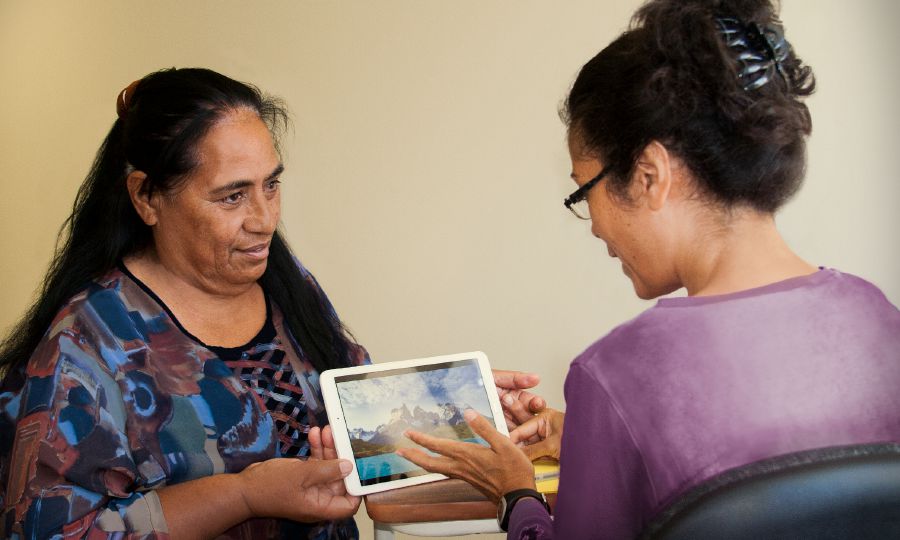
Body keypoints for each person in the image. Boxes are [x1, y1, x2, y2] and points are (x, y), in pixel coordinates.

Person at [396, 0, 900, 538]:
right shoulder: (878, 318)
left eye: (583, 191)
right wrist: (604, 442)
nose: (592, 225)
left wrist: (515, 492)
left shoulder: (613, 374)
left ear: (649, 175)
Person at [0, 68, 544, 539]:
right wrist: (244, 495)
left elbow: (362, 442)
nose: (264, 220)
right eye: (232, 196)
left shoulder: (285, 287)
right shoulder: (86, 342)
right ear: (146, 197)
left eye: (272, 186)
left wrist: (463, 409)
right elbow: (55, 530)